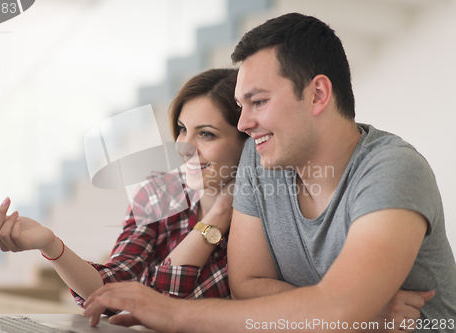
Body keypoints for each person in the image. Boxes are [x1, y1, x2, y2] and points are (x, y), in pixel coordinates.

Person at [81, 13, 456, 333]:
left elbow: (341, 308)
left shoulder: (391, 169)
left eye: (258, 101)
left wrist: (173, 313)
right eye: (242, 105)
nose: (244, 123)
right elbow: (247, 285)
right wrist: (350, 315)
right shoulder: (260, 163)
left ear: (318, 95)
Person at [0, 68, 248, 306]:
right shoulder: (161, 192)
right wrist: (50, 244)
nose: (185, 147)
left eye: (206, 134)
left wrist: (222, 213)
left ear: (246, 142)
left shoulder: (262, 219)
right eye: (183, 129)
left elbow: (161, 301)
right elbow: (111, 287)